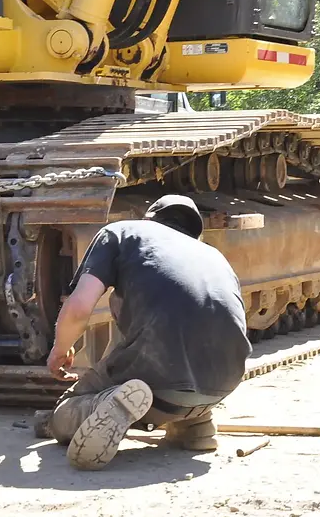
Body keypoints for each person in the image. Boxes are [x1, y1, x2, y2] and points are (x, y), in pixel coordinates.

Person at [40, 194, 252, 470]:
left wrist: (59, 349)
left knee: (64, 412)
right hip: (224, 383)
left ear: (149, 218)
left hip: (156, 378)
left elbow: (79, 307)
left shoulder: (122, 232)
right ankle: (197, 424)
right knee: (185, 331)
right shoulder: (213, 254)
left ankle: (107, 403)